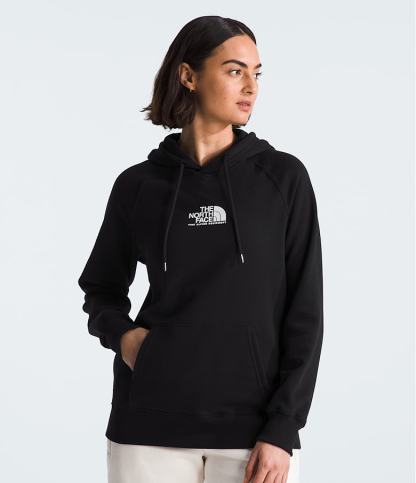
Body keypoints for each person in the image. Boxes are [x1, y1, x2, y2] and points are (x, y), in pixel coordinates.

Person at [78, 15, 324, 483]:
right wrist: (126, 339)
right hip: (147, 426)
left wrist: (283, 427)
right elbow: (100, 286)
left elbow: (305, 311)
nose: (250, 86)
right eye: (234, 71)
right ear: (188, 76)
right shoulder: (138, 185)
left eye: (256, 73)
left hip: (253, 431)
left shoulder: (282, 178)